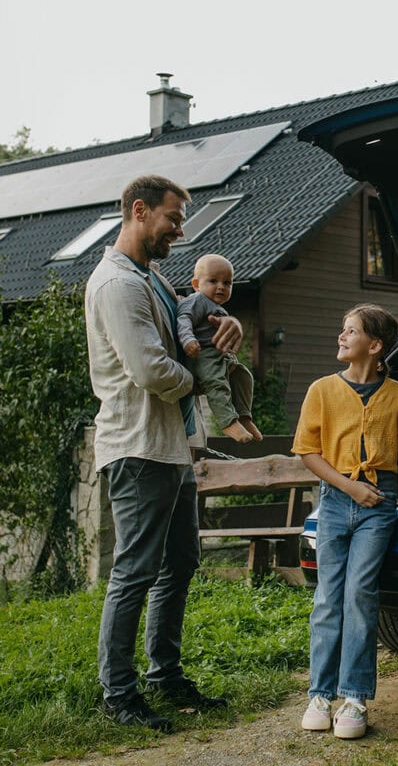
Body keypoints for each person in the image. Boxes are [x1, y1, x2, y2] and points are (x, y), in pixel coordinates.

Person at [85, 175, 241, 731]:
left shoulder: (149, 275)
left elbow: (192, 318)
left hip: (173, 447)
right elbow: (152, 371)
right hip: (137, 448)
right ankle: (119, 693)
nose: (180, 230)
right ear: (138, 210)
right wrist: (203, 385)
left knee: (180, 563)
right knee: (136, 569)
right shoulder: (116, 286)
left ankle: (164, 675)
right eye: (174, 219)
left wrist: (230, 326)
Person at [291, 303, 398, 740]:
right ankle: (320, 694)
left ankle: (354, 698)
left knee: (361, 594)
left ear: (375, 345)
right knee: (328, 598)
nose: (341, 337)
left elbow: (394, 448)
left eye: (350, 331)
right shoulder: (322, 390)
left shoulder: (396, 393)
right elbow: (308, 452)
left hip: (380, 502)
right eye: (343, 330)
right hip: (337, 500)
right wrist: (349, 488)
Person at [177, 253, 262, 443]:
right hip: (203, 354)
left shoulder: (216, 305)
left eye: (227, 283)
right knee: (217, 383)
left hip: (220, 354)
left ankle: (244, 416)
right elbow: (183, 320)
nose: (221, 286)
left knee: (243, 376)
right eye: (213, 281)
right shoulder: (197, 300)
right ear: (196, 284)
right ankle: (227, 422)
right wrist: (188, 340)